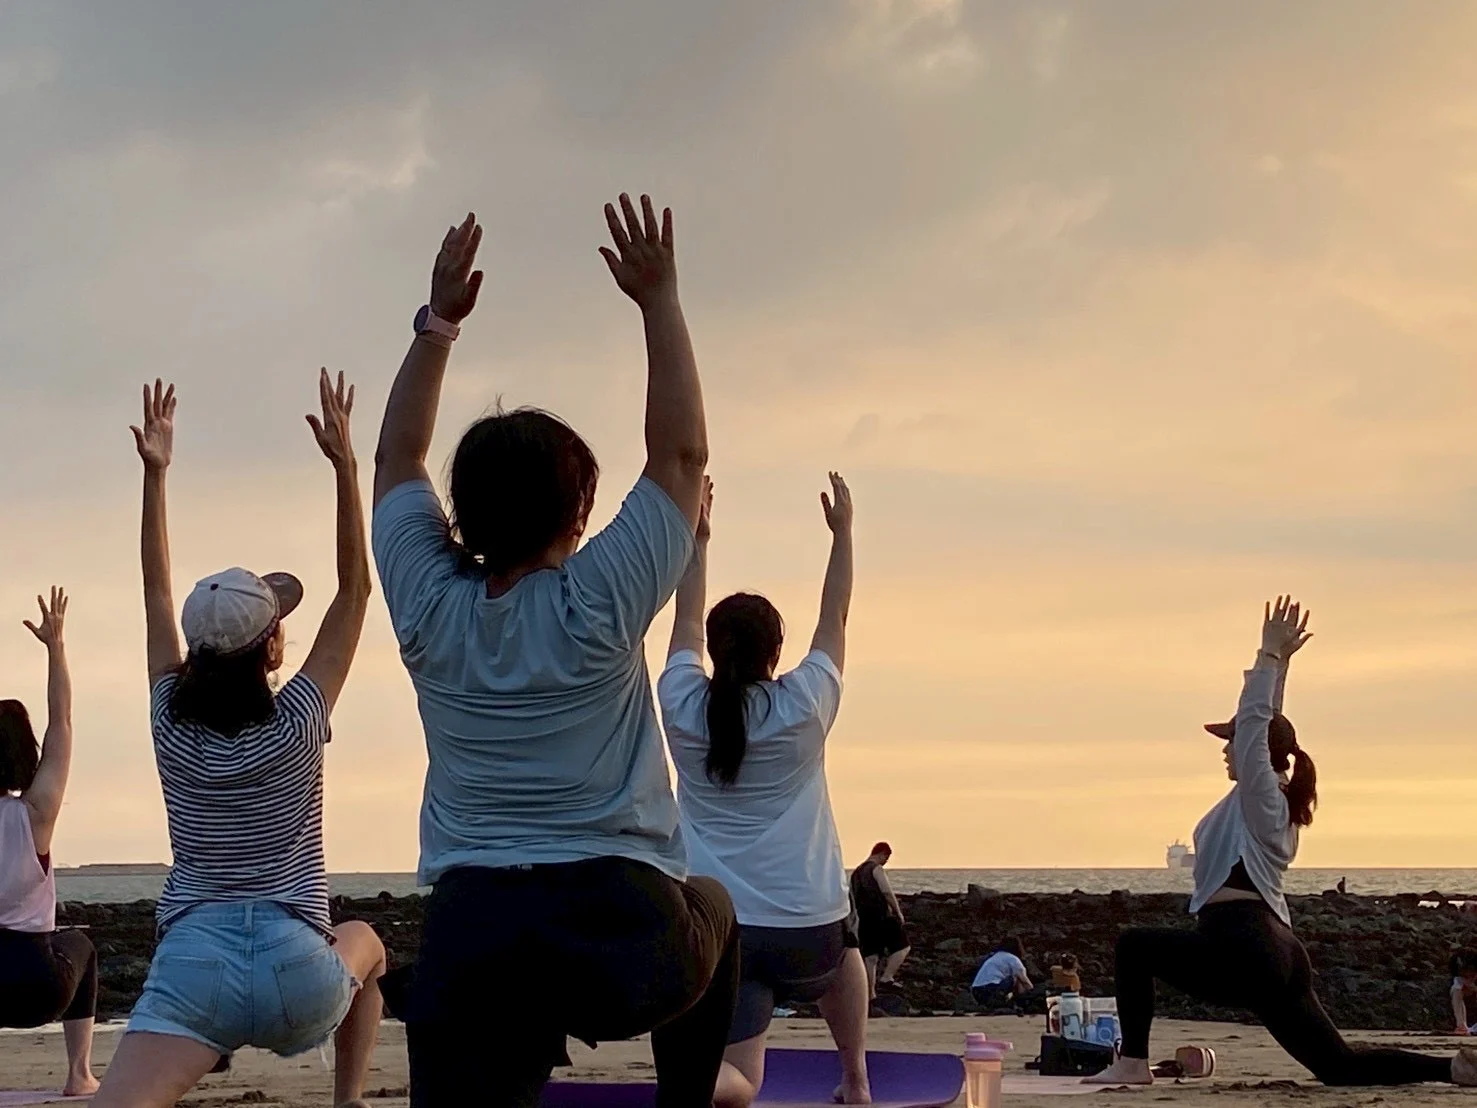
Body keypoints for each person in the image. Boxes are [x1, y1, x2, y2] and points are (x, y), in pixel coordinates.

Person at [372, 200, 738, 1108]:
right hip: (622, 941)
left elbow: (395, 459)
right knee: (716, 908)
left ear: (463, 514)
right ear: (578, 515)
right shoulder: (599, 601)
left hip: (473, 938)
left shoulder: (427, 605)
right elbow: (683, 454)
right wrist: (659, 301)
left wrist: (439, 323)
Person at [92, 373, 386, 1108]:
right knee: (369, 946)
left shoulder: (169, 720)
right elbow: (355, 591)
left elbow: (155, 592)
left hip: (196, 971)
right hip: (298, 973)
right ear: (273, 646)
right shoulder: (299, 719)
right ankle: (347, 1101)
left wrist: (156, 475)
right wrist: (346, 467)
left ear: (195, 653)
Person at [1088, 598, 1477, 1088]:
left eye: (1230, 741)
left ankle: (1131, 1062)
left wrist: (1267, 656)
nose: (1226, 749)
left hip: (1242, 944)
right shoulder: (1270, 799)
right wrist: (1283, 664)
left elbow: (1257, 724)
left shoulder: (1262, 796)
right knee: (1339, 1066)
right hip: (1278, 951)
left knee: (1134, 946)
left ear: (1253, 751)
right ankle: (1454, 1069)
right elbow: (1269, 724)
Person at [659, 474, 870, 1108]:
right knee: (849, 949)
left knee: (741, 1077)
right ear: (776, 652)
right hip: (812, 933)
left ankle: (704, 1086)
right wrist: (842, 536)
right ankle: (856, 1081)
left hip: (726, 938)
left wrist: (698, 539)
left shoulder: (682, 705)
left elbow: (686, 621)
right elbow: (835, 616)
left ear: (716, 651)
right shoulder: (804, 705)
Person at [0, 588, 99, 1096]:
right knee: (82, 946)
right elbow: (61, 721)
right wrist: (56, 647)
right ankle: (79, 1076)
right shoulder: (35, 813)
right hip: (37, 986)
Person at [850, 842, 910, 996]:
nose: (885, 862)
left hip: (863, 919)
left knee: (870, 957)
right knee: (903, 946)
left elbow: (852, 898)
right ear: (882, 853)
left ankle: (870, 994)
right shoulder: (876, 869)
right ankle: (887, 977)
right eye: (886, 858)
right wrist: (898, 912)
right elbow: (886, 892)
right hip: (881, 916)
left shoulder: (856, 873)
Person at [970, 938, 1034, 1011]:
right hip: (991, 989)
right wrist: (1032, 992)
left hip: (977, 991)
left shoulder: (994, 957)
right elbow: (1024, 980)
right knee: (1015, 978)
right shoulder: (1012, 958)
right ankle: (1020, 1002)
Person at [1451, 951, 1477, 1035]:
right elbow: (1456, 989)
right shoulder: (1457, 982)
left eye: (1472, 975)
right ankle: (1461, 1026)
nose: (1469, 979)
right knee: (1456, 991)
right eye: (1465, 976)